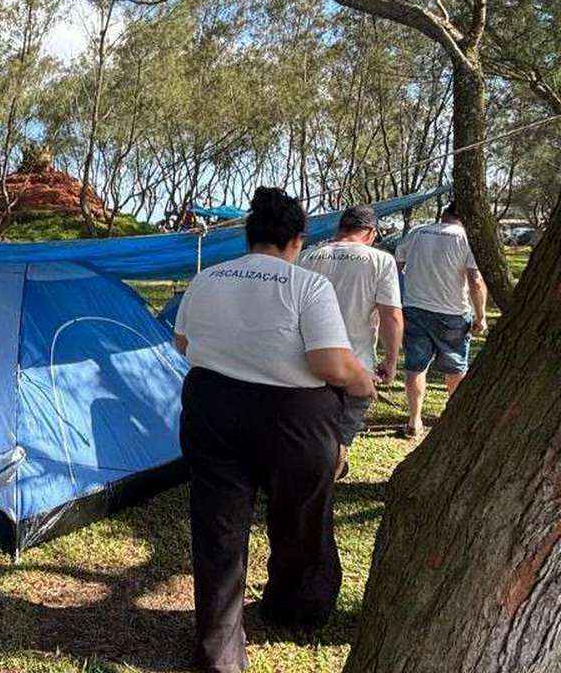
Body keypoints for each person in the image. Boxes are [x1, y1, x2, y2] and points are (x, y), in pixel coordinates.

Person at [174, 187, 375, 673]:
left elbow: (183, 344)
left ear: (249, 236)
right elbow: (329, 362)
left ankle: (218, 650)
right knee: (301, 518)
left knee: (219, 530)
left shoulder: (206, 279)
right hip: (295, 419)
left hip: (212, 407)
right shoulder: (306, 286)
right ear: (296, 240)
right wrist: (363, 380)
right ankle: (296, 609)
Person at [298, 204, 404, 477]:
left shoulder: (307, 256)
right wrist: (391, 361)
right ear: (370, 232)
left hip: (308, 361)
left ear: (340, 228)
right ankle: (326, 478)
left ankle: (308, 473)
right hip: (355, 365)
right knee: (341, 435)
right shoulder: (380, 260)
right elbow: (391, 315)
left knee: (310, 428)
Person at [394, 202, 487, 438]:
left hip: (415, 307)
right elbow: (475, 280)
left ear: (443, 215)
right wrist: (481, 316)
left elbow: (398, 265)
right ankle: (454, 420)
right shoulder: (466, 238)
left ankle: (414, 421)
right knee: (455, 369)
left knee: (416, 367)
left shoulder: (417, 232)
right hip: (453, 312)